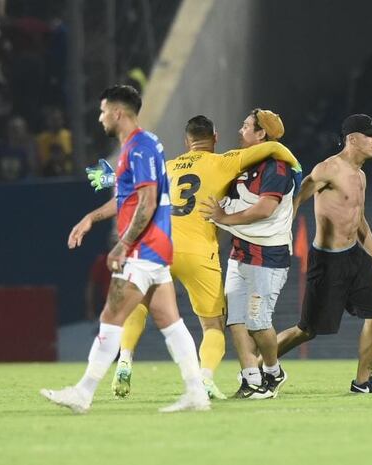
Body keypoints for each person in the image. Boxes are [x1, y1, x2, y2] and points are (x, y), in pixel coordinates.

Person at [99, 115, 301, 400]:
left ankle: (125, 360)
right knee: (212, 325)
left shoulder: (167, 167)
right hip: (198, 251)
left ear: (186, 141)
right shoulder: (225, 161)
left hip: (159, 247)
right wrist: (296, 164)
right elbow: (274, 150)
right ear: (215, 138)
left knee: (139, 305)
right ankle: (205, 378)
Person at [40, 84, 210, 414]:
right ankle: (196, 393)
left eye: (103, 111)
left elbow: (146, 202)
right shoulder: (135, 147)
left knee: (111, 315)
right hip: (155, 246)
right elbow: (126, 199)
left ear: (118, 113)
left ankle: (83, 392)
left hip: (144, 247)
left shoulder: (140, 147)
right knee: (170, 322)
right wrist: (92, 217)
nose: (100, 117)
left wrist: (122, 244)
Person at [274, 114, 372, 394]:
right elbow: (298, 195)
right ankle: (257, 366)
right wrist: (283, 234)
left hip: (355, 258)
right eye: (370, 135)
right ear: (352, 139)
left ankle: (363, 382)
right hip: (327, 262)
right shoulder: (328, 168)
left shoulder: (361, 176)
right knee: (306, 330)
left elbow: (359, 220)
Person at [199, 109, 294, 399]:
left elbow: (265, 208)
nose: (240, 131)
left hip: (268, 256)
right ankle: (251, 379)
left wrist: (224, 219)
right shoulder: (240, 164)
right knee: (235, 320)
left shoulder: (276, 168)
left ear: (261, 134)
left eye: (245, 126)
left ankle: (274, 372)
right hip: (240, 254)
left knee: (258, 322)